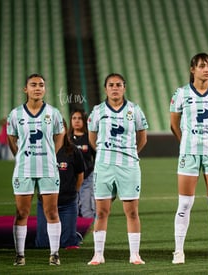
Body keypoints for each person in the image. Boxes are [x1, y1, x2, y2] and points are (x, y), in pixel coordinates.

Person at [170, 53, 208, 264]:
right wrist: (186, 141)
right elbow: (174, 123)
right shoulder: (181, 93)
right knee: (185, 203)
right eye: (202, 66)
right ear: (192, 69)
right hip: (189, 152)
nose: (207, 70)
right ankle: (178, 251)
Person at [87, 73, 148, 265]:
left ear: (124, 87)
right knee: (102, 211)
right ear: (106, 88)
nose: (115, 88)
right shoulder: (97, 111)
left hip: (129, 165)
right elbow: (92, 138)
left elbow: (142, 137)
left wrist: (130, 153)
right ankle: (98, 254)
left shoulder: (134, 110)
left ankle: (135, 254)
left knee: (131, 211)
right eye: (111, 85)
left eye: (119, 85)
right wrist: (105, 153)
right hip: (104, 165)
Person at [7, 73, 65, 266]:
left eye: (41, 85)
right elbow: (11, 138)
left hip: (48, 168)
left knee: (52, 212)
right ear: (26, 89)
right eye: (33, 85)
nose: (38, 88)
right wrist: (21, 156)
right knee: (22, 212)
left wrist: (51, 154)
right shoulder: (15, 114)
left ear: (45, 89)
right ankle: (20, 255)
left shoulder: (53, 113)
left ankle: (54, 254)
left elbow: (59, 135)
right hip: (23, 169)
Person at [35, 119, 85, 249]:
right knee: (43, 244)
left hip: (67, 204)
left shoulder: (73, 151)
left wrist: (73, 192)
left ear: (66, 130)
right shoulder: (40, 151)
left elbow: (80, 175)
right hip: (45, 203)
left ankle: (73, 236)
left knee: (67, 244)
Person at [69, 109, 96, 218]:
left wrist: (92, 170)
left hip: (87, 178)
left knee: (87, 210)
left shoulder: (89, 137)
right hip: (71, 180)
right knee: (72, 210)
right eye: (74, 118)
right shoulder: (67, 139)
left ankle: (90, 233)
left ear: (84, 121)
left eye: (80, 118)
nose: (77, 121)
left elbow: (96, 156)